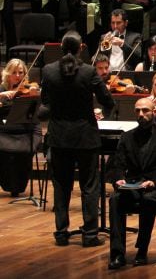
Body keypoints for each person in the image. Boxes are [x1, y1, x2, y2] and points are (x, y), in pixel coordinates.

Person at [40, 31, 114, 247]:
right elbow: (107, 101)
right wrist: (102, 114)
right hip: (85, 137)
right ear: (81, 47)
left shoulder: (48, 71)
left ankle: (61, 233)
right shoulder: (89, 72)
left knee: (61, 185)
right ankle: (90, 235)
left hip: (59, 137)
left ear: (61, 47)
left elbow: (44, 105)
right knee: (89, 186)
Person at [106, 97, 156, 269]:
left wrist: (154, 182)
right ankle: (117, 254)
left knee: (149, 199)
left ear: (154, 112)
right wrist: (118, 178)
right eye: (138, 111)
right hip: (132, 186)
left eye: (145, 110)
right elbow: (116, 164)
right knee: (115, 199)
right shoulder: (127, 137)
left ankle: (142, 250)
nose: (141, 114)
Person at [0, 59, 42, 197]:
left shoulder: (29, 88)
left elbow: (39, 108)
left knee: (24, 150)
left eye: (21, 72)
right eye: (14, 73)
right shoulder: (1, 89)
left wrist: (35, 93)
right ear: (7, 74)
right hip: (5, 131)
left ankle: (18, 186)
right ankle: (8, 183)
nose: (18, 76)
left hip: (27, 130)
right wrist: (2, 95)